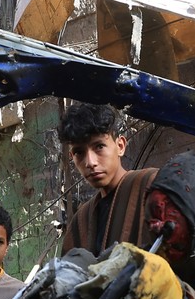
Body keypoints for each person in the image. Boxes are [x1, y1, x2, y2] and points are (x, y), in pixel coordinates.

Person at [58, 103, 158, 256]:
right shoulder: (80, 222)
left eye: (99, 147)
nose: (90, 162)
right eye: (79, 152)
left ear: (120, 146)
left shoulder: (152, 186)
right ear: (72, 157)